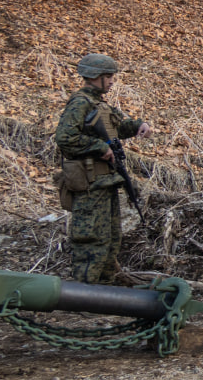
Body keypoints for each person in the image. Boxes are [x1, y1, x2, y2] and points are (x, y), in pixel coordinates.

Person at [55, 54, 153, 284]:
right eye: (107, 76)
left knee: (110, 237)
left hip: (105, 182)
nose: (111, 81)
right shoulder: (80, 103)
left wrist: (140, 125)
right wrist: (99, 147)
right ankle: (82, 293)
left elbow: (119, 126)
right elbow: (65, 137)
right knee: (91, 239)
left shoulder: (99, 104)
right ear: (93, 77)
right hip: (89, 184)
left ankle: (104, 290)